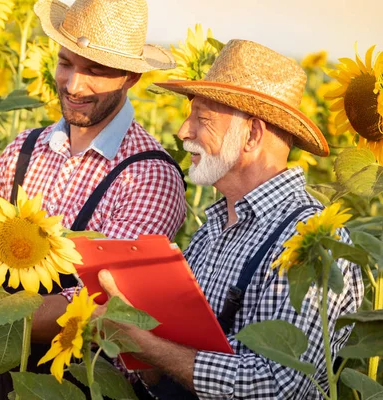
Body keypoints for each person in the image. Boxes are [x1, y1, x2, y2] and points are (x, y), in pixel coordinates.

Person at [0, 0, 186, 397]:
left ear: (130, 77)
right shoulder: (24, 148)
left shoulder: (148, 175)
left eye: (95, 70)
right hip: (4, 369)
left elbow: (103, 310)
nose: (75, 85)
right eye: (66, 63)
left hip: (86, 382)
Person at [96, 39, 364, 399]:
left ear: (252, 135)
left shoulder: (313, 242)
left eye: (201, 119)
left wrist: (146, 345)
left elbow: (279, 386)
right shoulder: (212, 229)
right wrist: (132, 334)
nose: (183, 132)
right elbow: (173, 356)